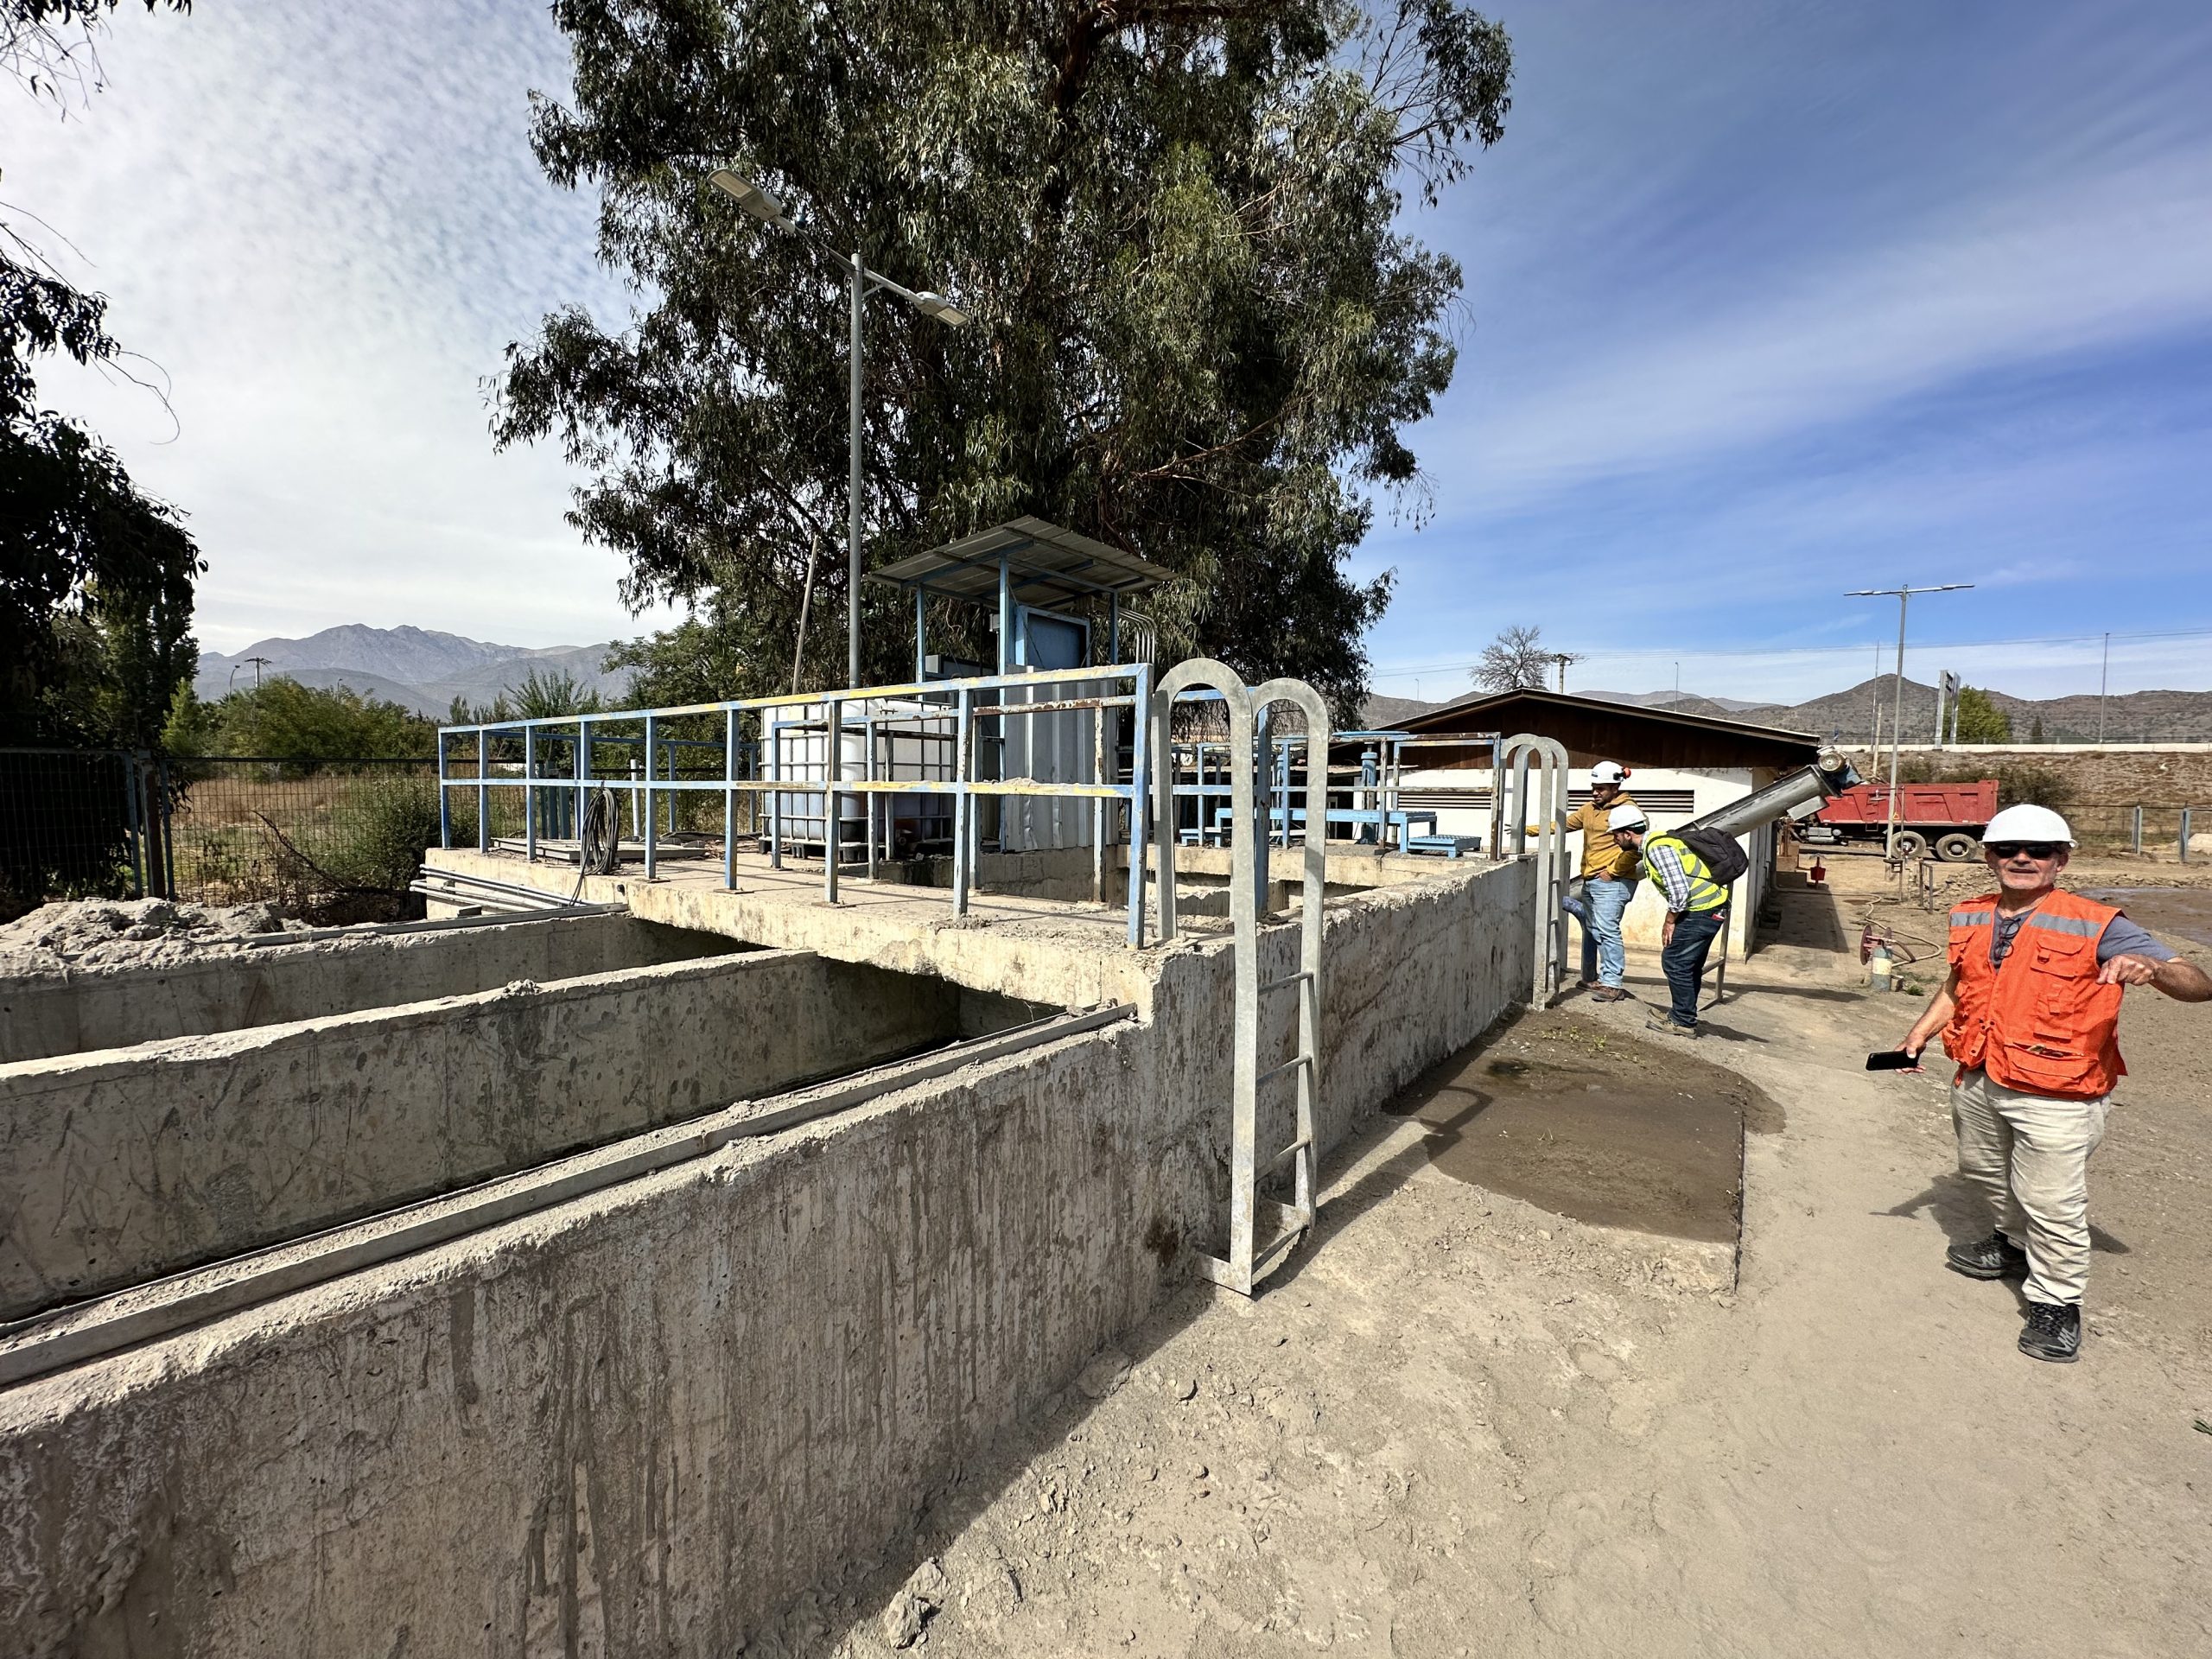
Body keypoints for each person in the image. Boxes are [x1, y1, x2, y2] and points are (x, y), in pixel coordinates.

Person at [1898, 804, 2209, 1363]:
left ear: (2060, 859)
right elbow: (1959, 984)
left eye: (2038, 850)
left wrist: (2155, 969)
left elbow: (2198, 984)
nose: (2022, 858)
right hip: (1980, 1072)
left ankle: (2056, 1302)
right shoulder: (1969, 914)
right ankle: (2012, 1243)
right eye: (2008, 849)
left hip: (2059, 1089)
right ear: (1989, 856)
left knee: (2051, 1200)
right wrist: (1920, 1032)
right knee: (1983, 1170)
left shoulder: (2099, 922)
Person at [1606, 804, 1731, 1037]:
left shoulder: (1657, 849)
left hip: (1701, 910)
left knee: (1675, 962)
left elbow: (1679, 893)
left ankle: (1683, 1021)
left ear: (1628, 834)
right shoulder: (1659, 841)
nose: (1615, 839)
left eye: (1616, 834)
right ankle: (1681, 1014)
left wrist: (1670, 921)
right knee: (1688, 965)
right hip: (1708, 907)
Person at [1539, 760, 1640, 1001]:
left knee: (1607, 931)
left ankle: (1613, 984)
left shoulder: (1628, 810)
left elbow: (1637, 847)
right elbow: (1563, 825)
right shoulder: (1590, 810)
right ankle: (1601, 979)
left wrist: (1613, 871)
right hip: (1592, 880)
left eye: (1601, 788)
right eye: (1594, 788)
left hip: (1612, 883)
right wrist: (1528, 829)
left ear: (1615, 787)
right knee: (1595, 929)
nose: (1595, 792)